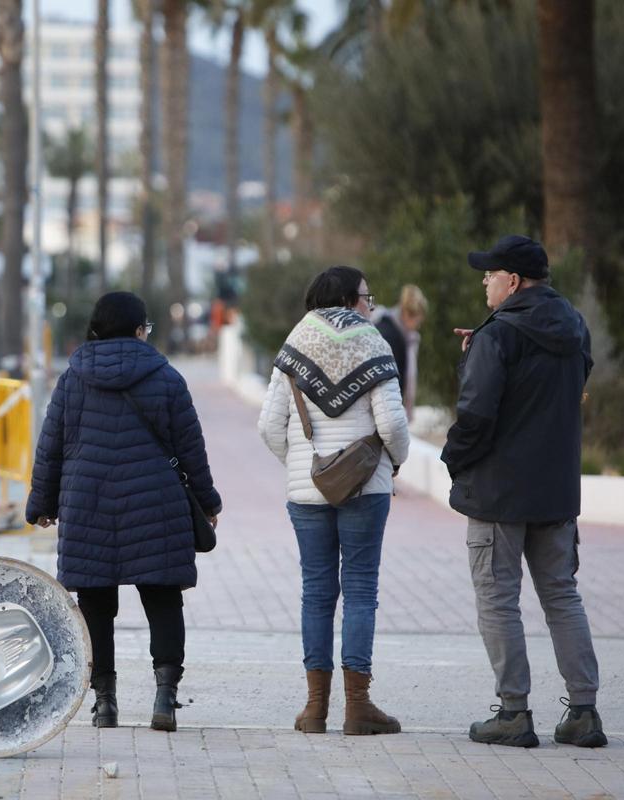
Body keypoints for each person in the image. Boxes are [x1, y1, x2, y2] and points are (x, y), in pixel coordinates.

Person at [25, 291, 222, 733]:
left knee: (95, 603)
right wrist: (208, 501)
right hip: (157, 504)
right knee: (163, 599)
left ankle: (105, 703)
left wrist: (41, 504)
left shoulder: (72, 379)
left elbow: (50, 448)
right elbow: (192, 449)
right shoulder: (167, 378)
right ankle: (165, 697)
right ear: (138, 330)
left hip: (88, 501)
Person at [442, 234, 606, 749]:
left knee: (498, 599)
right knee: (561, 595)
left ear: (512, 281)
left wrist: (452, 460)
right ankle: (584, 712)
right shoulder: (573, 326)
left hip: (499, 493)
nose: (484, 281)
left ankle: (513, 712)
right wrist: (484, 350)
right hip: (555, 490)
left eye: (489, 274)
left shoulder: (499, 336)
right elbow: (563, 381)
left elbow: (476, 415)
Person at [258, 266, 410, 736]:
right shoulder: (373, 342)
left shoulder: (294, 345)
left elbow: (268, 426)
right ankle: (358, 708)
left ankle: (314, 709)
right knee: (361, 590)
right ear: (348, 299)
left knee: (317, 594)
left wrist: (302, 466)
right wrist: (394, 464)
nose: (370, 304)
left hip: (307, 492)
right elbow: (392, 426)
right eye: (366, 295)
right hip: (366, 488)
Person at [373, 285, 428, 420]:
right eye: (418, 321)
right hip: (385, 414)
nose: (418, 326)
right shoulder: (392, 336)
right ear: (408, 314)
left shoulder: (390, 329)